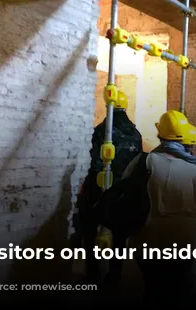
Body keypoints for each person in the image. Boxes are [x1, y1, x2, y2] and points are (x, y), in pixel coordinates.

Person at [123, 110, 196, 307]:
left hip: (145, 242)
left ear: (160, 135)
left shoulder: (141, 162)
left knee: (153, 291)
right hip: (184, 244)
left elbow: (124, 197)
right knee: (182, 295)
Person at [74, 89, 143, 291]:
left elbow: (95, 162)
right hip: (124, 192)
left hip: (100, 190)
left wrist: (88, 188)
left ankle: (93, 275)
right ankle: (114, 275)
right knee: (119, 236)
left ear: (109, 107)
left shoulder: (102, 131)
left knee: (89, 232)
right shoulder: (136, 134)